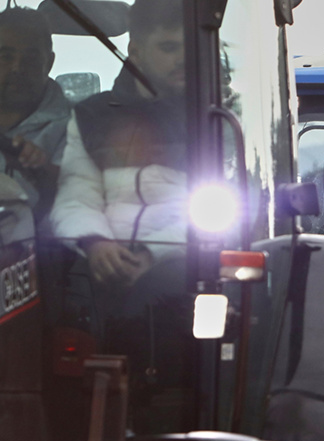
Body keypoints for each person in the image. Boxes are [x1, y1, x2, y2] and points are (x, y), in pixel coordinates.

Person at [49, 0, 186, 287]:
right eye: (169, 47)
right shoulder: (92, 117)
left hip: (188, 273)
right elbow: (76, 196)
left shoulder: (216, 118)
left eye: (190, 48)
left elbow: (230, 211)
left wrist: (151, 254)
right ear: (135, 52)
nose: (183, 58)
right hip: (102, 279)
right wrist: (95, 243)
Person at [0, 7, 71, 216]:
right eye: (5, 57)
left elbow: (82, 201)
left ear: (48, 63)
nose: (17, 67)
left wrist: (44, 169)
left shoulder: (76, 129)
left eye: (30, 58)